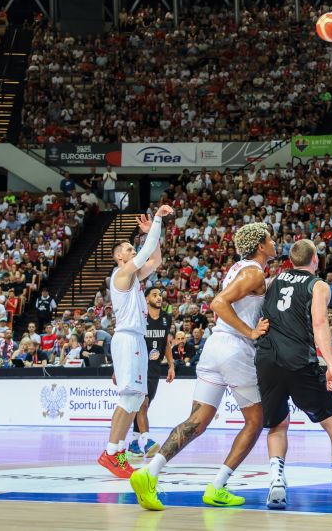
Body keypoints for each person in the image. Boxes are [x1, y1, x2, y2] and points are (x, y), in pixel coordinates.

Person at [130, 222, 274, 511]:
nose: (274, 243)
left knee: (196, 421)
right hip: (235, 349)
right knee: (256, 422)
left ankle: (149, 472)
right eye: (270, 239)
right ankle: (217, 487)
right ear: (260, 245)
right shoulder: (253, 271)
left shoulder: (241, 269)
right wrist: (250, 332)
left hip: (214, 349)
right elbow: (219, 303)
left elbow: (246, 297)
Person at [257, 239, 332, 511]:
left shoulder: (272, 281)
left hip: (267, 360)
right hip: (300, 360)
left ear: (290, 260)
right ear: (316, 261)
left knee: (278, 424)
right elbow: (320, 323)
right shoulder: (318, 285)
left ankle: (276, 483)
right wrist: (331, 364)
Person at [98, 204, 173, 479]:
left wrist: (153, 234)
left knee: (137, 397)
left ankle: (116, 451)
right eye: (128, 249)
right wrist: (156, 220)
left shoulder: (132, 277)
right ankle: (111, 452)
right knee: (129, 397)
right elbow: (145, 254)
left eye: (132, 248)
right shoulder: (120, 275)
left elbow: (155, 261)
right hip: (128, 338)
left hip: (136, 340)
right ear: (119, 257)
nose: (132, 251)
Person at [127, 287, 176, 460]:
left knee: (144, 406)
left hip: (155, 368)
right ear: (146, 299)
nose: (159, 298)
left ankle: (133, 444)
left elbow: (166, 343)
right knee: (143, 403)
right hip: (139, 366)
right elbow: (130, 342)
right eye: (155, 295)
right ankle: (147, 441)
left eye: (160, 295)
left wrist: (171, 364)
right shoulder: (140, 317)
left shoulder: (166, 318)